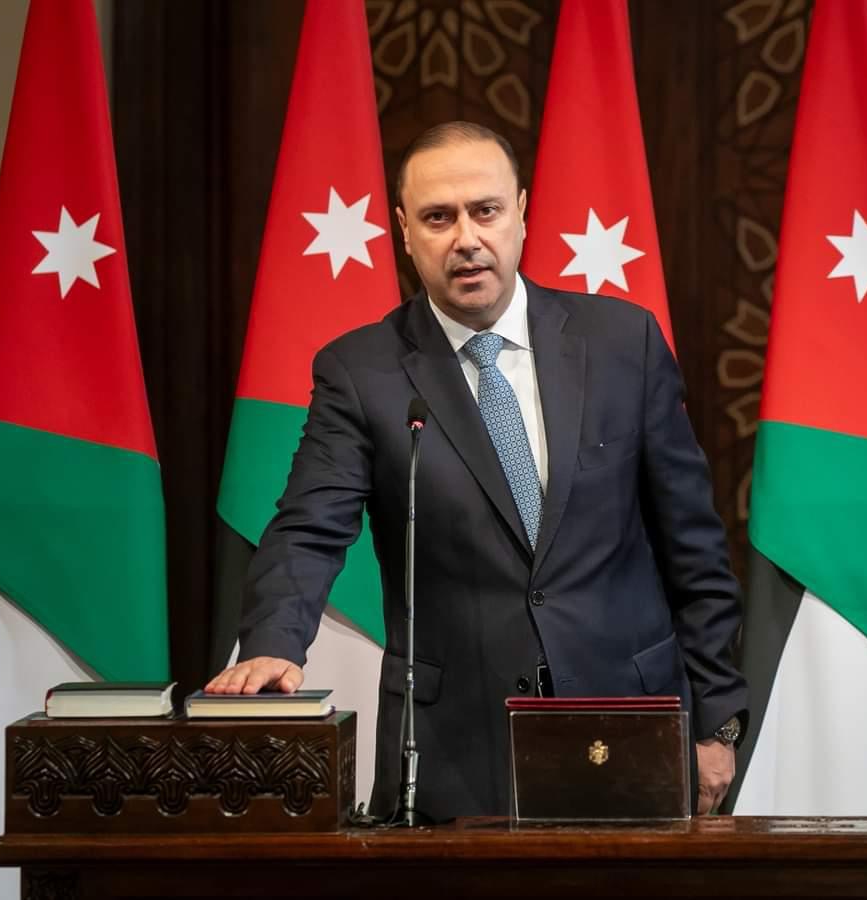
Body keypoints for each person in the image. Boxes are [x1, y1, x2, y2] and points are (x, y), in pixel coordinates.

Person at [206, 121, 747, 820]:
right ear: (404, 231)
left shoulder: (623, 342)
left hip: (628, 724)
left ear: (520, 212)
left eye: (485, 210)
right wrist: (274, 644)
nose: (466, 238)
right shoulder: (361, 372)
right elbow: (309, 527)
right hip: (454, 748)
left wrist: (718, 722)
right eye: (438, 218)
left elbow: (694, 548)